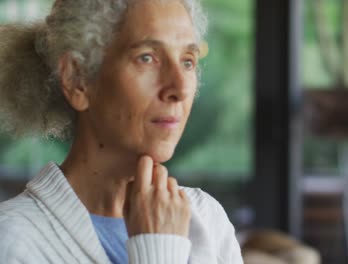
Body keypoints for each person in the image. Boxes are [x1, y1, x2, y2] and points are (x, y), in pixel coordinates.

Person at [0, 0, 243, 263]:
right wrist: (159, 249)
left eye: (187, 61)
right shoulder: (13, 242)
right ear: (77, 79)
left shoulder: (208, 223)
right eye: (147, 58)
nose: (180, 88)